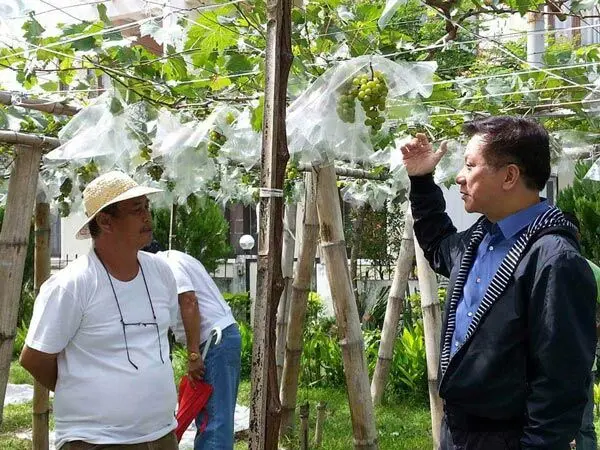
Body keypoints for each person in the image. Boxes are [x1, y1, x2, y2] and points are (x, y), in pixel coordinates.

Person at [401, 116, 597, 450]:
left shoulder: (553, 259)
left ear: (509, 176)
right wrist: (421, 180)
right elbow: (437, 245)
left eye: (470, 165)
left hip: (510, 438)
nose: (460, 178)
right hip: (460, 432)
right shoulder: (481, 239)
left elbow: (560, 380)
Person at [20, 171, 184, 450]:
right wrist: (85, 389)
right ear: (105, 221)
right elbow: (34, 358)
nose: (147, 216)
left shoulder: (161, 273)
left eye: (146, 206)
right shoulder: (72, 285)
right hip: (97, 441)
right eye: (136, 209)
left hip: (161, 435)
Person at [144, 244, 241, 450]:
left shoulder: (165, 264)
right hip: (219, 338)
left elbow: (189, 301)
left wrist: (193, 354)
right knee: (210, 416)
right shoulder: (176, 258)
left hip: (213, 340)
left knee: (214, 421)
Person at [563, 211, 600, 450]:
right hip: (542, 365)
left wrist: (591, 331)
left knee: (584, 426)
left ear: (577, 235)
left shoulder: (592, 270)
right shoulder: (538, 263)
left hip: (582, 364)